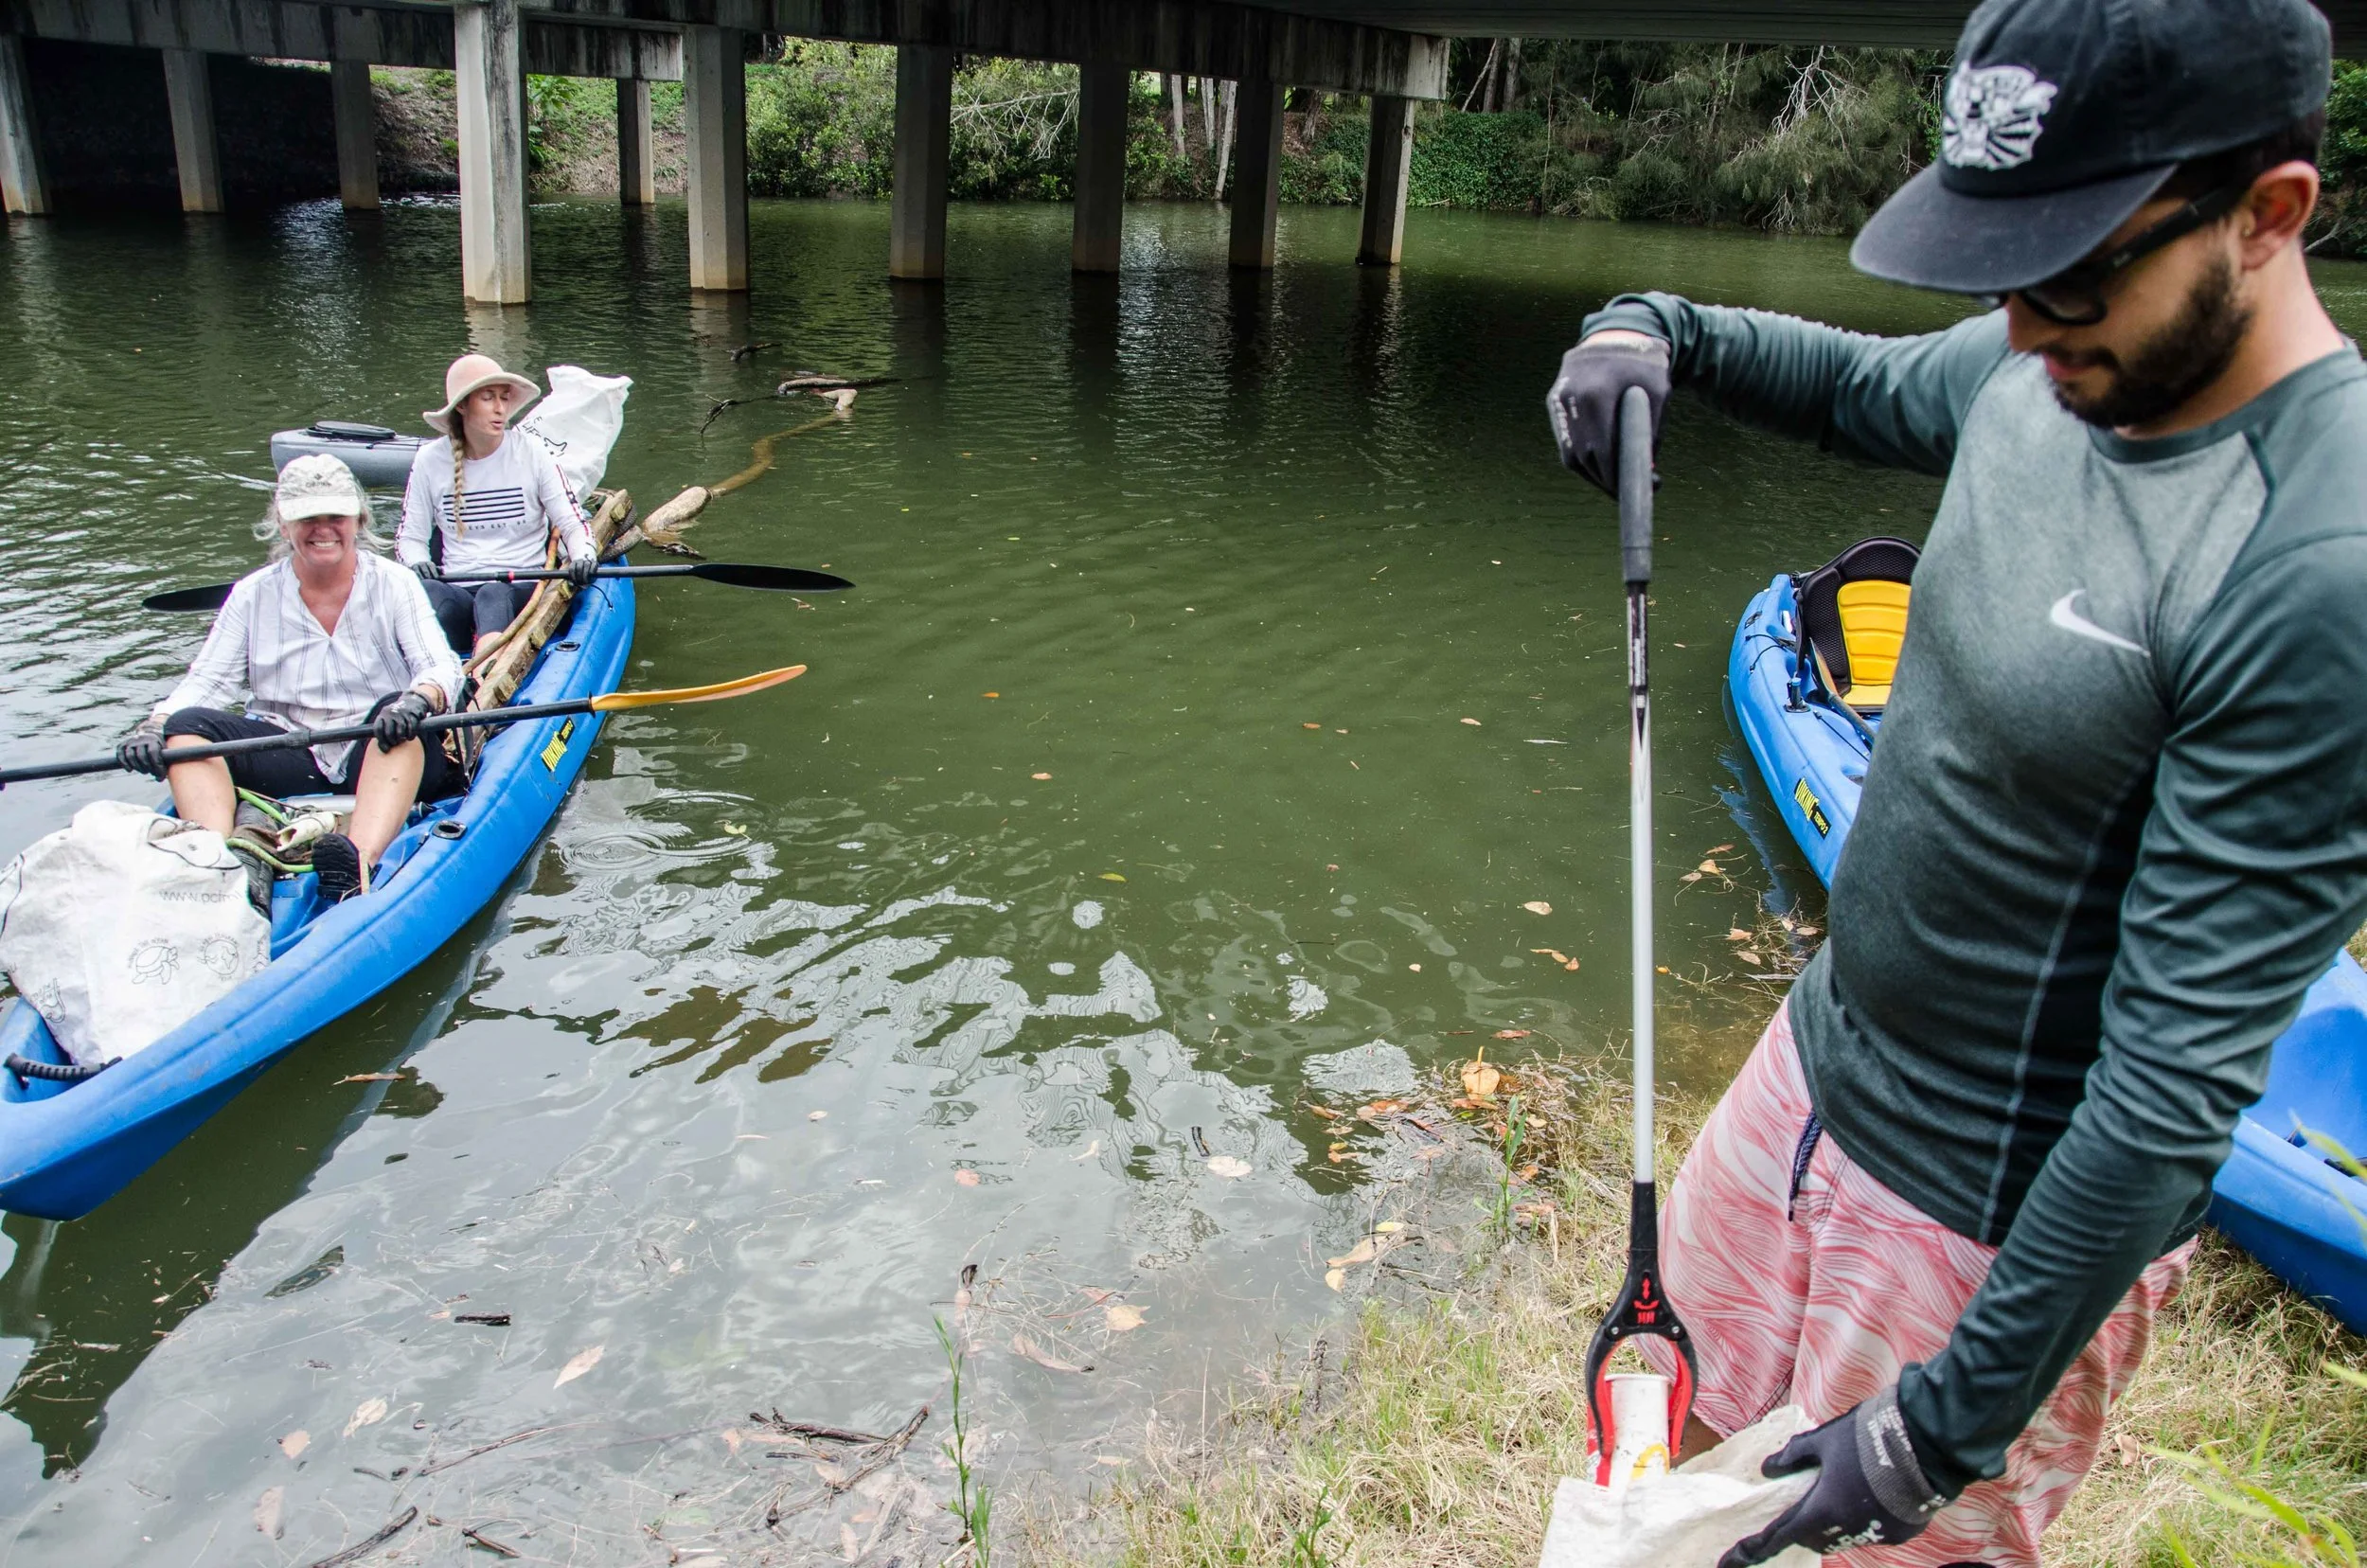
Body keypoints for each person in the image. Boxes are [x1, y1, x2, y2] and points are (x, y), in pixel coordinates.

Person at [1544, 2, 2366, 1565]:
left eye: (2066, 272)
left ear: (2268, 217)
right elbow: (1856, 383)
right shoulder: (2047, 360)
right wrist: (1659, 327)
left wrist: (1941, 1429)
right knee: (1673, 1476)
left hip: (1979, 1224)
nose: (2023, 328)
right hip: (1815, 1061)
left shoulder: (2315, 567)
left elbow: (2170, 1093)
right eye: (2001, 273)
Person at [116, 454, 466, 906]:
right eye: (308, 518)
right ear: (284, 525)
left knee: (396, 711)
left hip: (378, 746)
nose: (324, 529)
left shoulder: (394, 583)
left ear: (357, 520)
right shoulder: (251, 594)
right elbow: (206, 683)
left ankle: (356, 863)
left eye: (335, 516)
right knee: (186, 728)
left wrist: (419, 700)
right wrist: (153, 726)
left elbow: (441, 666)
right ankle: (217, 868)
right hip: (289, 753)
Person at [399, 353, 598, 658]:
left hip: (522, 585)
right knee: (430, 592)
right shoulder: (429, 461)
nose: (500, 408)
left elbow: (572, 523)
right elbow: (410, 539)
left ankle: (484, 673)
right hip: (459, 587)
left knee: (493, 592)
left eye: (504, 398)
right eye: (488, 398)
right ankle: (434, 669)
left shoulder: (532, 452)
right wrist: (416, 563)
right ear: (462, 406)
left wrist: (583, 555)